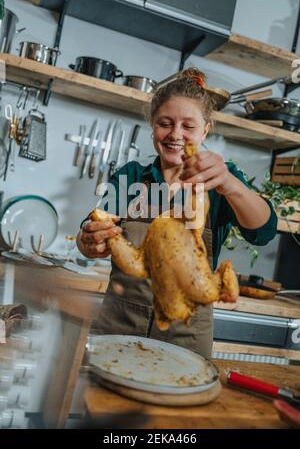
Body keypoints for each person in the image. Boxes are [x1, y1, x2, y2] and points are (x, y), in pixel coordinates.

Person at [77, 68, 277, 359]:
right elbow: (93, 227)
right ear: (153, 126)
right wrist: (88, 241)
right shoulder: (131, 176)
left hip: (186, 334)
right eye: (165, 124)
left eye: (188, 126)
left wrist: (229, 184)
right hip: (118, 325)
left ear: (205, 130)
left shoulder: (221, 179)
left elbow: (263, 231)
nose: (175, 135)